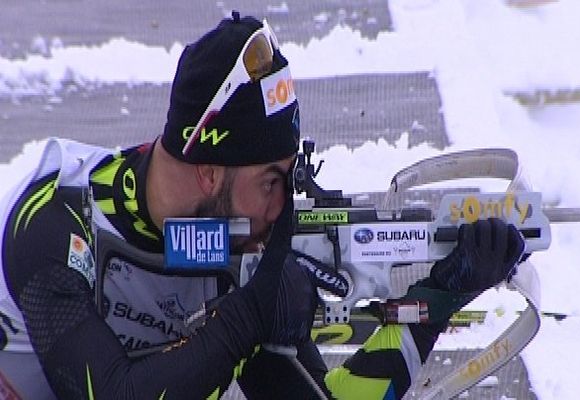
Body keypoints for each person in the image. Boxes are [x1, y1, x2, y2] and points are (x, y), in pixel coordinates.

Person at [0, 12, 525, 400]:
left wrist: (440, 295)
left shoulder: (238, 245)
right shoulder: (53, 215)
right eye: (272, 181)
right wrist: (248, 316)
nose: (283, 209)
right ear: (209, 170)